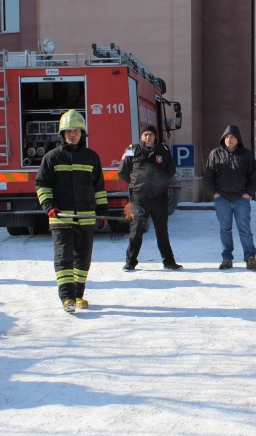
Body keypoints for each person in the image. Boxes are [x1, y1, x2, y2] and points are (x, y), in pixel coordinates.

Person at [35, 110, 108, 313]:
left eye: (76, 131)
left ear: (82, 133)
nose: (72, 134)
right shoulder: (52, 158)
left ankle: (78, 295)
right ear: (62, 134)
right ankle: (67, 298)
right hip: (61, 219)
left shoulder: (92, 158)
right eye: (68, 131)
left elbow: (99, 188)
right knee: (64, 258)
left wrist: (102, 211)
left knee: (83, 260)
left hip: (85, 219)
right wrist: (49, 206)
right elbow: (42, 185)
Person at [118, 125, 182, 272]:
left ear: (155, 136)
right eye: (145, 134)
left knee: (162, 232)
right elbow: (123, 172)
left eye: (151, 135)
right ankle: (130, 262)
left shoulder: (163, 150)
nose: (148, 137)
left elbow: (171, 170)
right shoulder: (131, 150)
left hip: (159, 198)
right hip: (139, 199)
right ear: (141, 136)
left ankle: (169, 262)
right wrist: (135, 183)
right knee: (136, 232)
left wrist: (161, 182)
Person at [204, 125, 256, 271]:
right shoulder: (215, 154)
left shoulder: (246, 155)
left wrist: (248, 193)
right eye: (227, 136)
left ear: (238, 139)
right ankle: (227, 258)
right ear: (224, 138)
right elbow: (209, 175)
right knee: (225, 230)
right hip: (222, 199)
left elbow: (254, 176)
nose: (230, 139)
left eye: (233, 136)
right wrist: (214, 192)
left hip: (241, 199)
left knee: (245, 230)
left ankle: (250, 258)